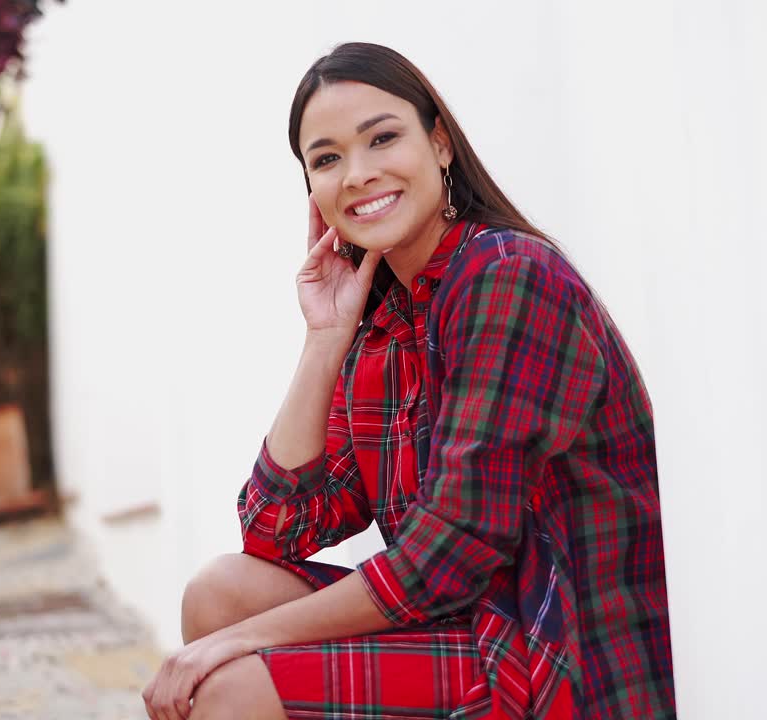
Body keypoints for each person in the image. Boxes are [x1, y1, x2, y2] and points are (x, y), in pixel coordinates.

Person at [143, 42, 676, 720]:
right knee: (218, 593)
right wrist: (324, 339)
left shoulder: (508, 277)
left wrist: (240, 646)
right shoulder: (386, 321)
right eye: (328, 159)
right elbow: (276, 530)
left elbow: (447, 553)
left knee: (230, 684)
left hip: (559, 654)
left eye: (382, 138)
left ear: (441, 143)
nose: (358, 174)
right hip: (467, 626)